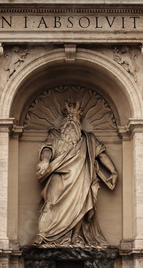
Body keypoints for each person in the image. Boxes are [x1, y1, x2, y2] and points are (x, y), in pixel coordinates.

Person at [34, 100, 118, 246]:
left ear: (79, 125)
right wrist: (45, 161)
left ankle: (76, 237)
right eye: (68, 121)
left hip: (81, 179)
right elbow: (47, 149)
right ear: (63, 125)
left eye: (74, 122)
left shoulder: (88, 140)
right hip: (58, 177)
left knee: (80, 207)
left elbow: (102, 155)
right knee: (50, 204)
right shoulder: (55, 136)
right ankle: (43, 234)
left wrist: (113, 171)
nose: (70, 125)